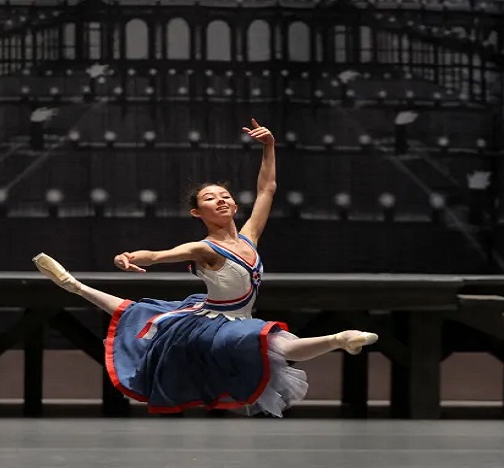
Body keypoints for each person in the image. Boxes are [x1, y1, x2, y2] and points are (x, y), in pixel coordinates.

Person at [32, 119, 378, 416]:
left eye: (224, 196)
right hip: (216, 324)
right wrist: (130, 257)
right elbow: (159, 255)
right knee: (277, 344)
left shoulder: (250, 237)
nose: (220, 200)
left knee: (136, 311)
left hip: (229, 316)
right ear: (198, 213)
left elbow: (267, 189)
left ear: (234, 204)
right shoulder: (204, 249)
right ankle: (340, 339)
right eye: (210, 198)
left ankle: (74, 286)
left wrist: (269, 147)